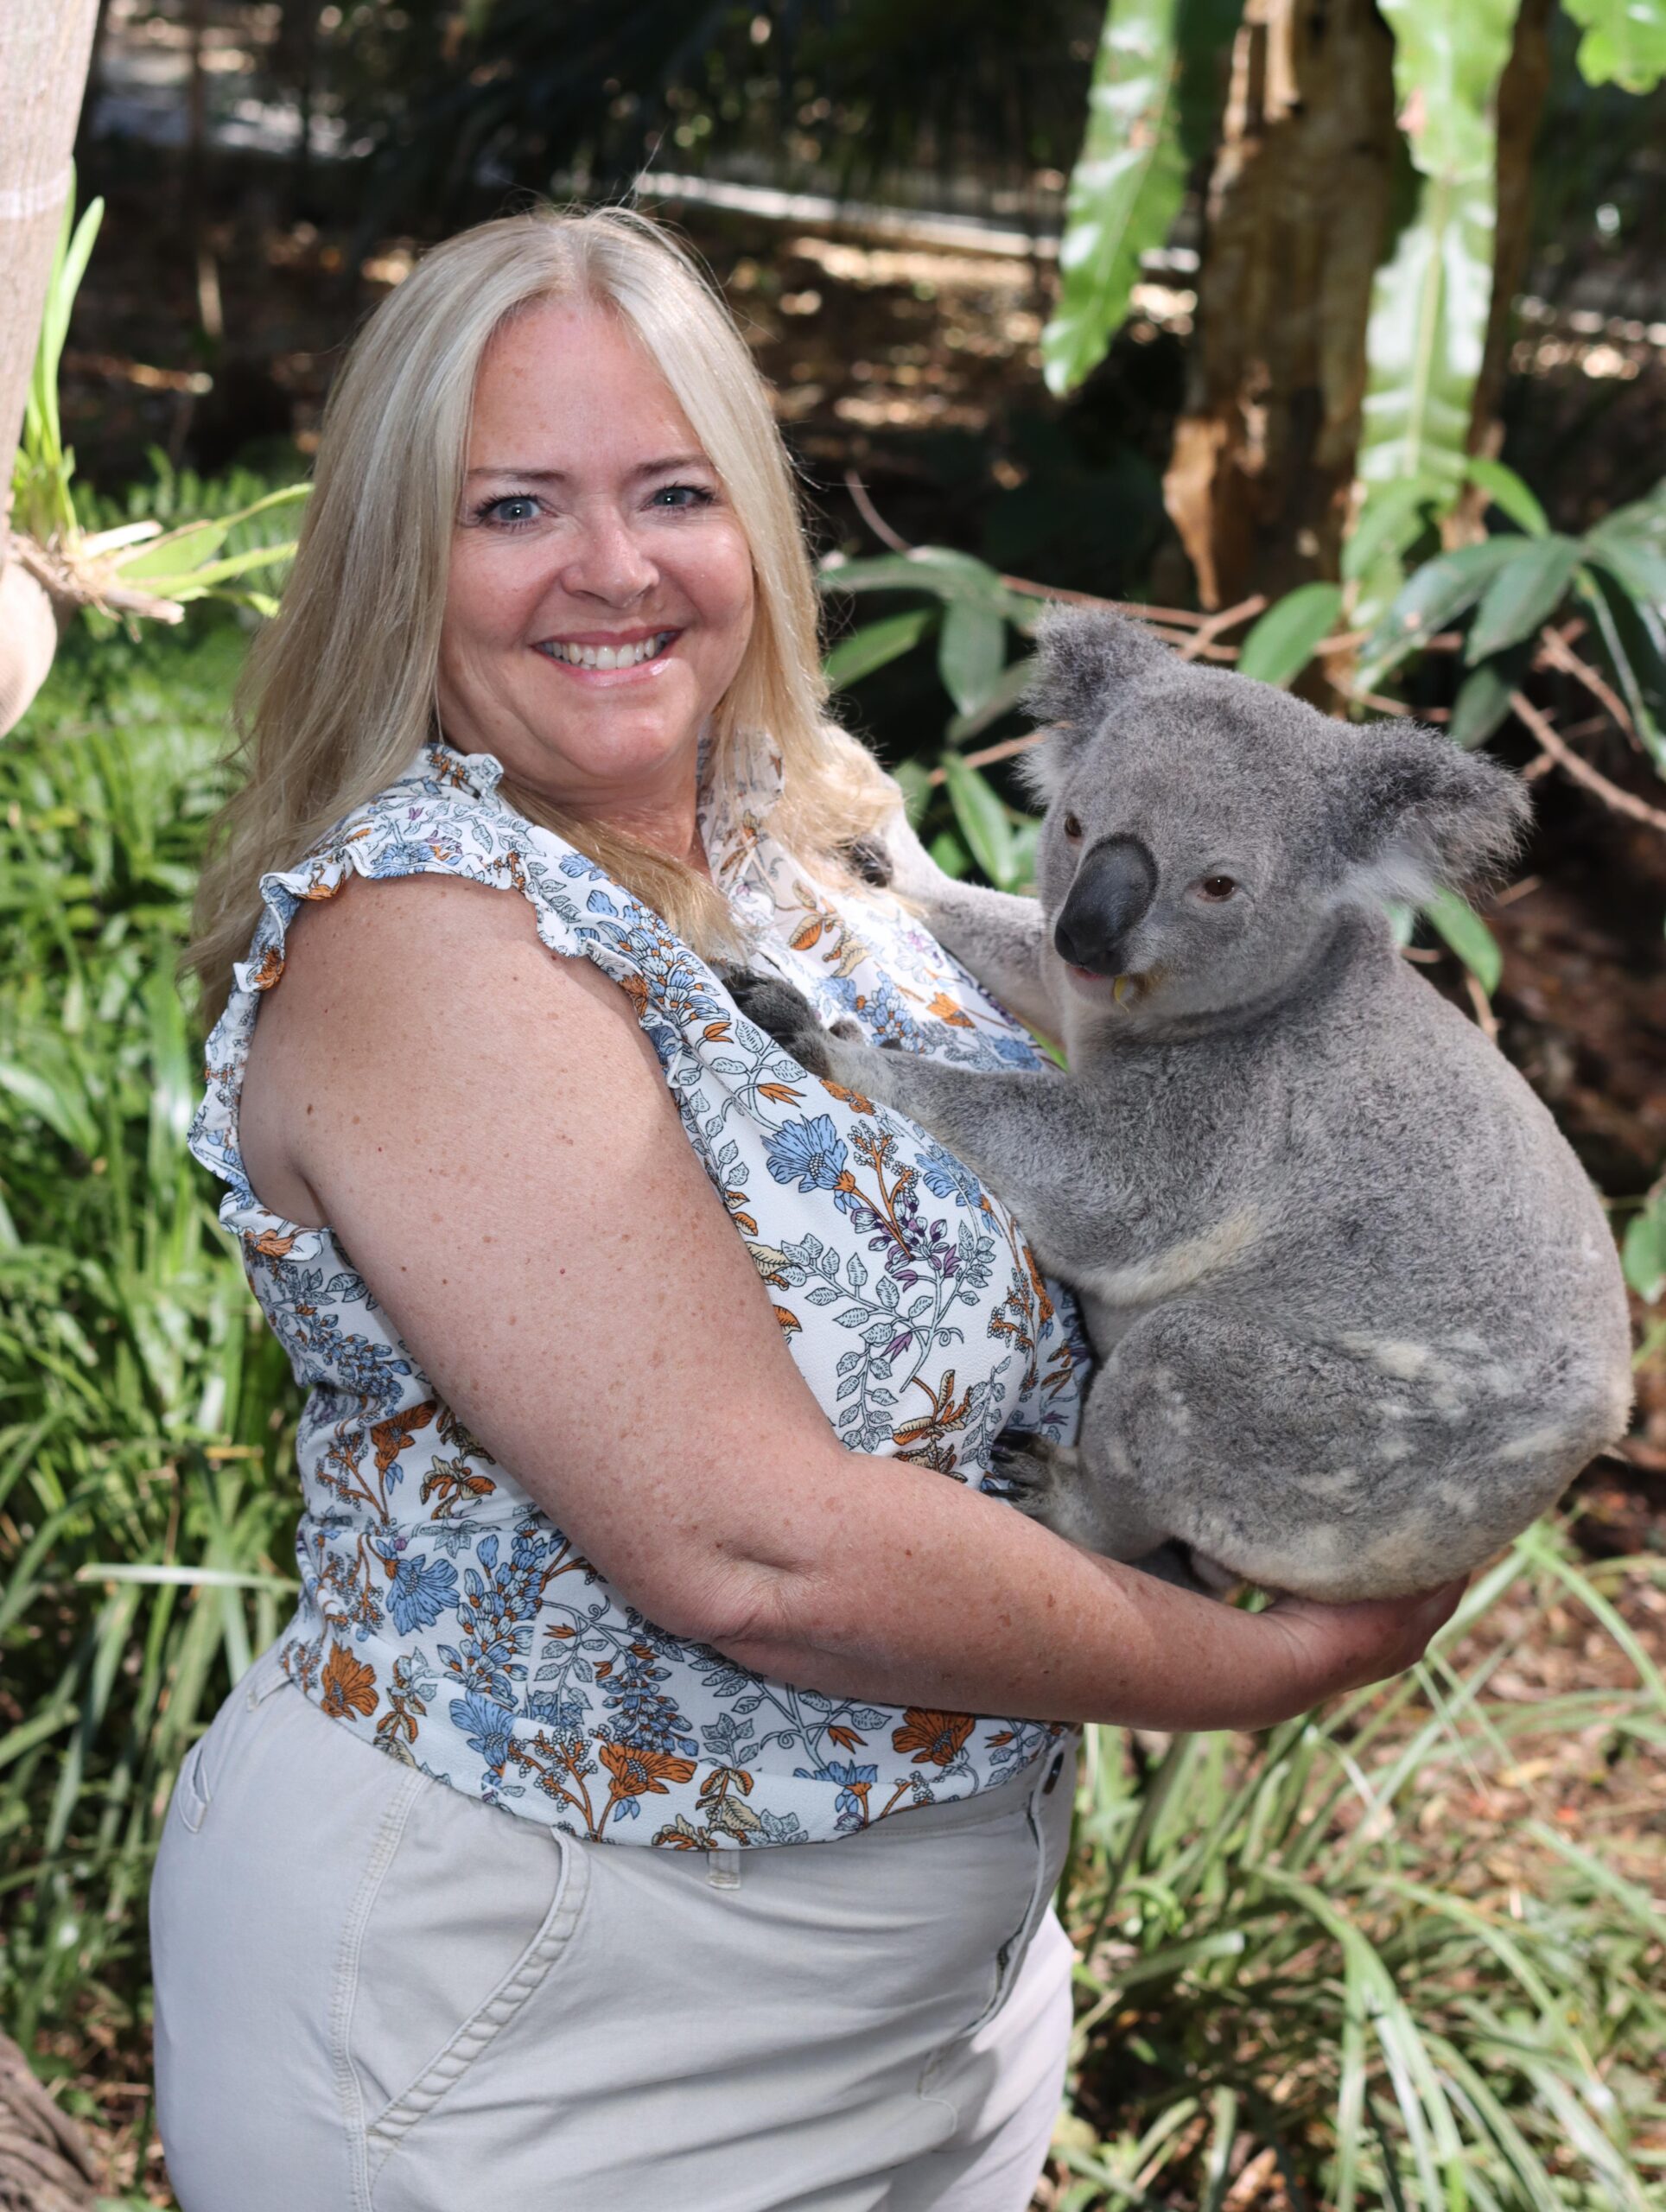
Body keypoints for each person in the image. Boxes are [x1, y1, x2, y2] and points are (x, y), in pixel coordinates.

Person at [150, 206, 1462, 2212]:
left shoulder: (810, 833)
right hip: (542, 2017)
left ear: (756, 523)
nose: (612, 567)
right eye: (515, 505)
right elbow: (749, 1546)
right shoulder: (433, 934)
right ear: (402, 558)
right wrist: (1281, 1659)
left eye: (672, 490)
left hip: (940, 1996)